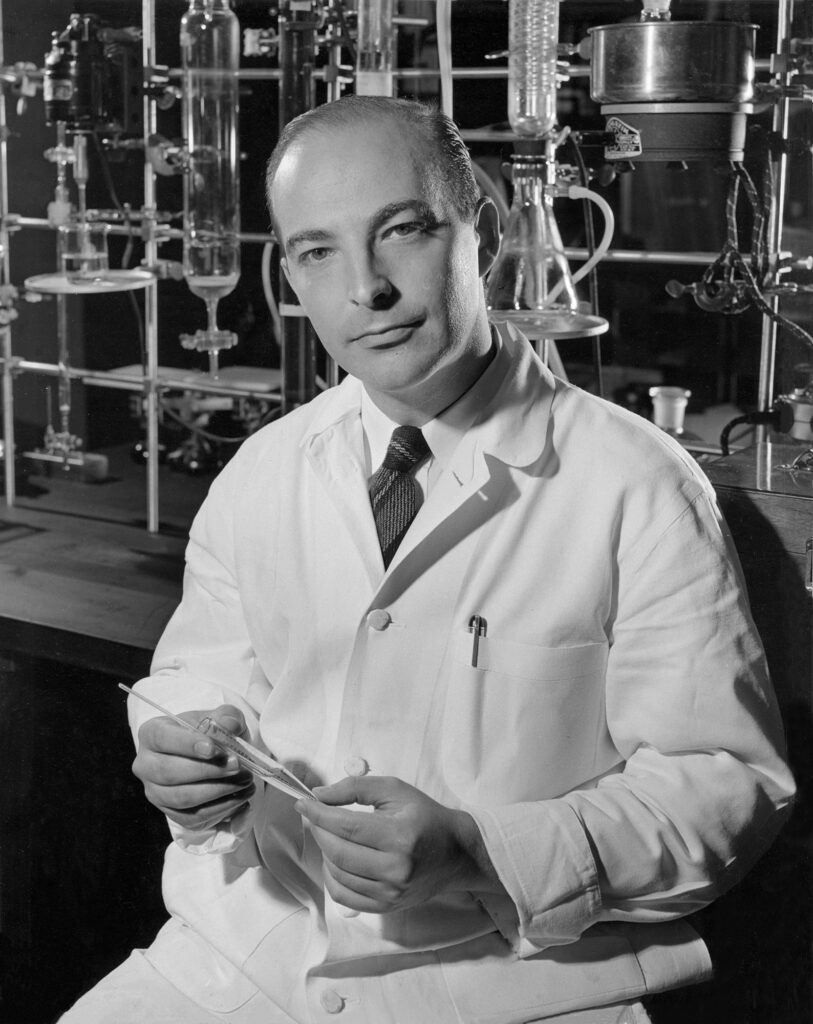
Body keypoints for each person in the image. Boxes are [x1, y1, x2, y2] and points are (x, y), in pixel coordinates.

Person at [60, 96, 794, 1024]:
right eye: (317, 250)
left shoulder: (636, 484)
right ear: (288, 270)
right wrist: (180, 753)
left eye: (401, 231)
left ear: (479, 232)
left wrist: (479, 851)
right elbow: (199, 677)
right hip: (246, 954)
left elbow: (725, 787)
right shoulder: (267, 469)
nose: (364, 289)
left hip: (512, 982)